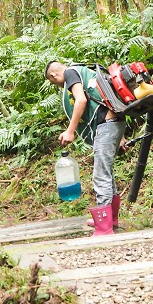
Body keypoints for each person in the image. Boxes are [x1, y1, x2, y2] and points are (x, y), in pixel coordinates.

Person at [45, 61, 126, 236]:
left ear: (54, 76)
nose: (60, 87)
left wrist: (70, 131)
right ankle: (110, 219)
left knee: (101, 175)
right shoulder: (84, 72)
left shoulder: (70, 74)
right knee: (107, 172)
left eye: (55, 84)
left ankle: (104, 228)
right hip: (114, 122)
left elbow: (81, 100)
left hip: (107, 125)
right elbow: (100, 98)